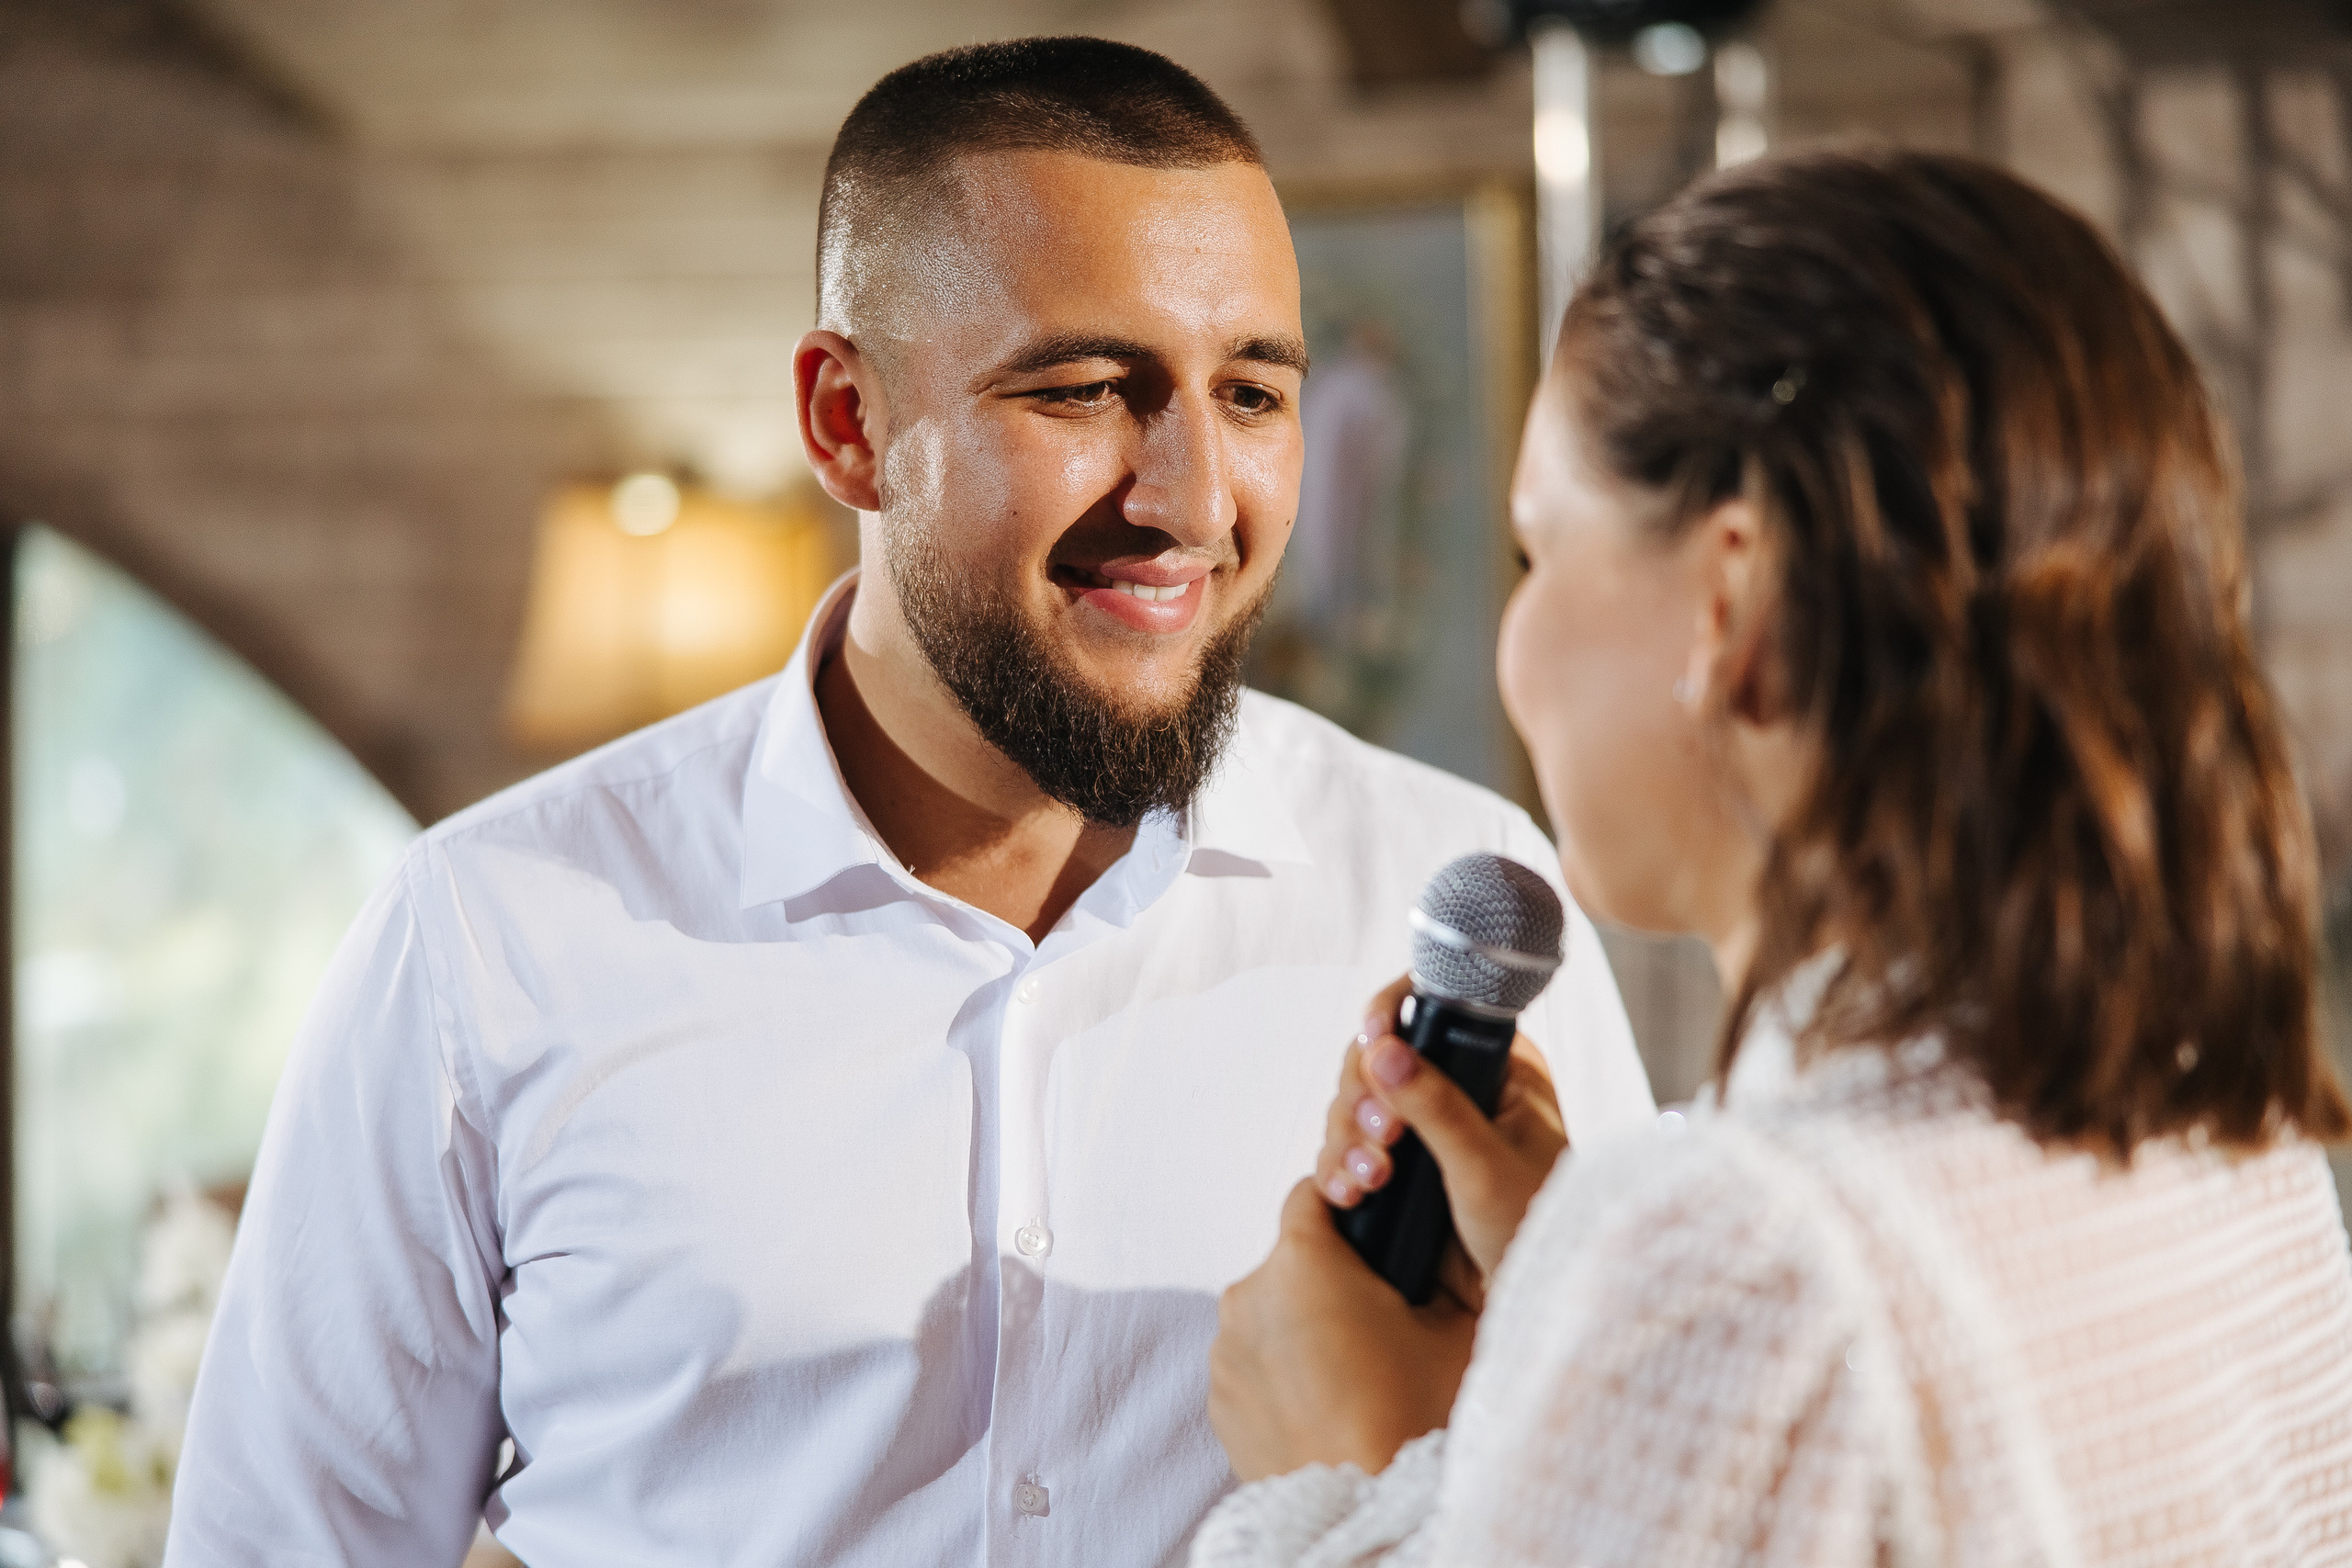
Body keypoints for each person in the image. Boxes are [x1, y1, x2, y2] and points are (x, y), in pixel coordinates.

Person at [161, 38, 1653, 1568]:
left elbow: (1655, 1505)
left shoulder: (1452, 891)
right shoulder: (486, 938)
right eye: (1084, 389)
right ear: (847, 423)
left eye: (1254, 392)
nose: (1196, 500)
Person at [1193, 149, 2352, 1565]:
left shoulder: (1749, 1262)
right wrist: (1586, 1318)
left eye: (1537, 557)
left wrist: (1351, 1469)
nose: (1519, 649)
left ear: (1726, 600)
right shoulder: (2230, 1134)